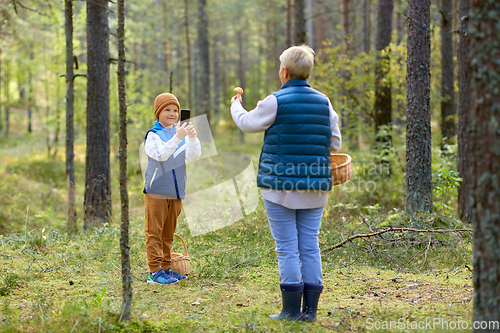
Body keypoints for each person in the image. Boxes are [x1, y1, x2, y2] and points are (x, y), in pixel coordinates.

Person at [230, 45, 342, 321]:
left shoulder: (274, 101)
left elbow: (246, 123)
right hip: (315, 189)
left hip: (279, 189)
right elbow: (335, 142)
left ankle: (291, 311)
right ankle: (310, 311)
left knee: (287, 247)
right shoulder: (324, 102)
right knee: (309, 246)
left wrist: (236, 106)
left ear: (284, 71)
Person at [143, 93, 201, 284]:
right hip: (157, 189)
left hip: (176, 190)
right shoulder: (153, 135)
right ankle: (154, 271)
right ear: (158, 112)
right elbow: (161, 155)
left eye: (175, 110)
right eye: (167, 110)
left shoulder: (180, 134)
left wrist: (191, 138)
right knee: (154, 232)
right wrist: (178, 136)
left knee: (168, 232)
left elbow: (193, 157)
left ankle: (166, 268)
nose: (172, 114)